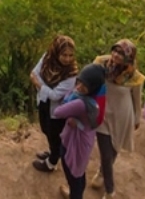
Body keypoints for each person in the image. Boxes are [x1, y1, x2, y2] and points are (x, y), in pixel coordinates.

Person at [91, 39, 145, 199]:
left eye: (121, 53)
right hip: (102, 113)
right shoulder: (101, 63)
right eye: (114, 51)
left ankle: (102, 173)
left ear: (129, 57)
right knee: (106, 153)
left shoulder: (134, 76)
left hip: (122, 115)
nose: (115, 55)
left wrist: (137, 118)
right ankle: (110, 191)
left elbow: (137, 99)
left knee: (114, 149)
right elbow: (90, 81)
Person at [52, 64, 106, 199]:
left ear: (92, 87)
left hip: (75, 143)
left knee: (73, 175)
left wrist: (72, 92)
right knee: (79, 174)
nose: (80, 86)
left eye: (85, 84)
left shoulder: (80, 103)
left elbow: (57, 112)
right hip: (84, 140)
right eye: (80, 81)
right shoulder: (95, 99)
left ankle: (75, 196)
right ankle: (75, 194)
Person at [30, 35, 79, 173]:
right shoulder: (48, 57)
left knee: (54, 134)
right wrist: (45, 87)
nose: (68, 59)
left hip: (58, 110)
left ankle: (52, 163)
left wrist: (39, 84)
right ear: (56, 52)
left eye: (70, 55)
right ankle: (53, 153)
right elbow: (34, 72)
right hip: (44, 102)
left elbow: (56, 95)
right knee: (45, 129)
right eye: (64, 55)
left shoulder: (71, 72)